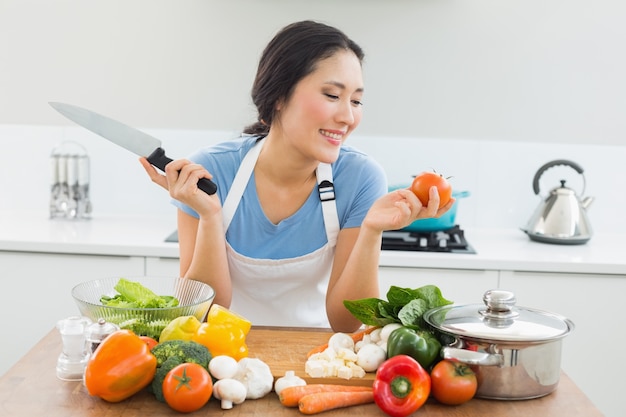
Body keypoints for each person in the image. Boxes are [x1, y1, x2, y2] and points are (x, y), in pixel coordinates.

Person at [140, 20, 453, 332]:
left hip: (318, 359)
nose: (347, 117)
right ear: (279, 96)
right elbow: (201, 316)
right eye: (332, 95)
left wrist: (372, 230)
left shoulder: (361, 177)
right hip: (222, 360)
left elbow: (346, 323)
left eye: (356, 101)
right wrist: (210, 216)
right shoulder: (211, 171)